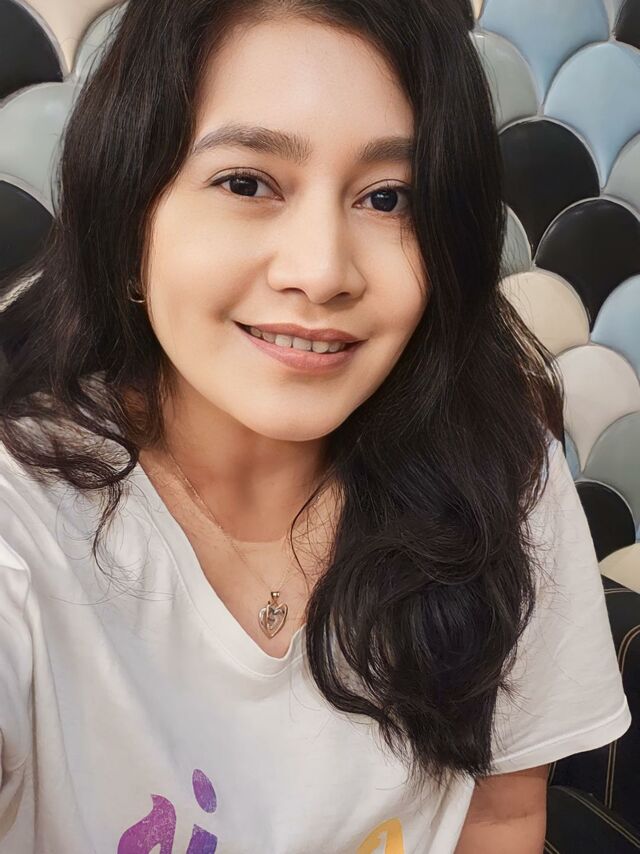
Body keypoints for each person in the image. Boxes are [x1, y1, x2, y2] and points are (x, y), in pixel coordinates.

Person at [0, 0, 631, 851]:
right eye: (246, 183)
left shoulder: (503, 475)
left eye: (387, 198)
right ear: (130, 211)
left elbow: (502, 811)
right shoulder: (24, 517)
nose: (323, 270)